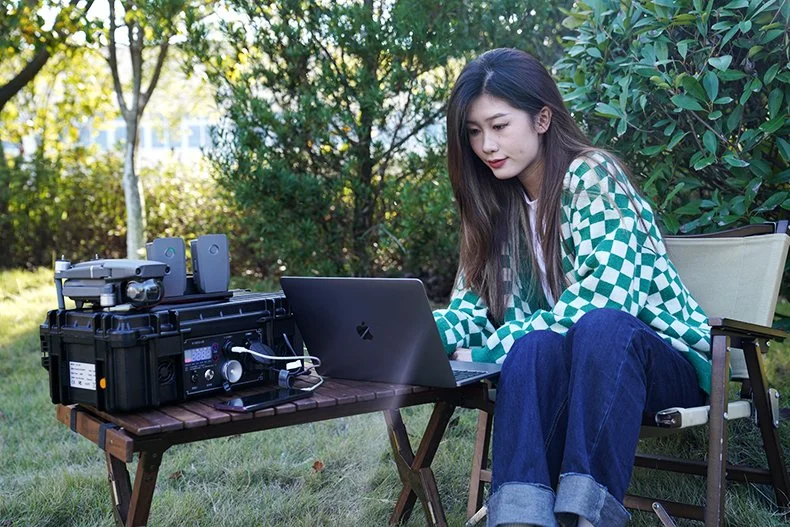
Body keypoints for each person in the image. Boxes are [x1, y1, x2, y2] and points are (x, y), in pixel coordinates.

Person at [432, 48, 711, 527]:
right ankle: (521, 518)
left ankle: (589, 517)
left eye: (499, 126)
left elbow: (607, 298)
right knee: (534, 348)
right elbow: (469, 308)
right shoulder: (497, 207)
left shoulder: (592, 175)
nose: (486, 145)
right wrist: (422, 336)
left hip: (657, 365)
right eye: (474, 132)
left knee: (598, 327)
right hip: (580, 372)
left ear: (542, 118)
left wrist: (494, 348)